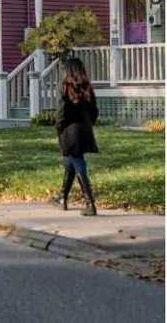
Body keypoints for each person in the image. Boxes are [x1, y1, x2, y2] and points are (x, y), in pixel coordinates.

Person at [48, 57, 100, 217]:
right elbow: (94, 111)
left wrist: (58, 126)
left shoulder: (65, 86)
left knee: (78, 163)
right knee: (70, 163)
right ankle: (62, 197)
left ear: (68, 70)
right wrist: (88, 124)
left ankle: (90, 204)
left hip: (70, 132)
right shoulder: (87, 87)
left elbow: (62, 112)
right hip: (84, 130)